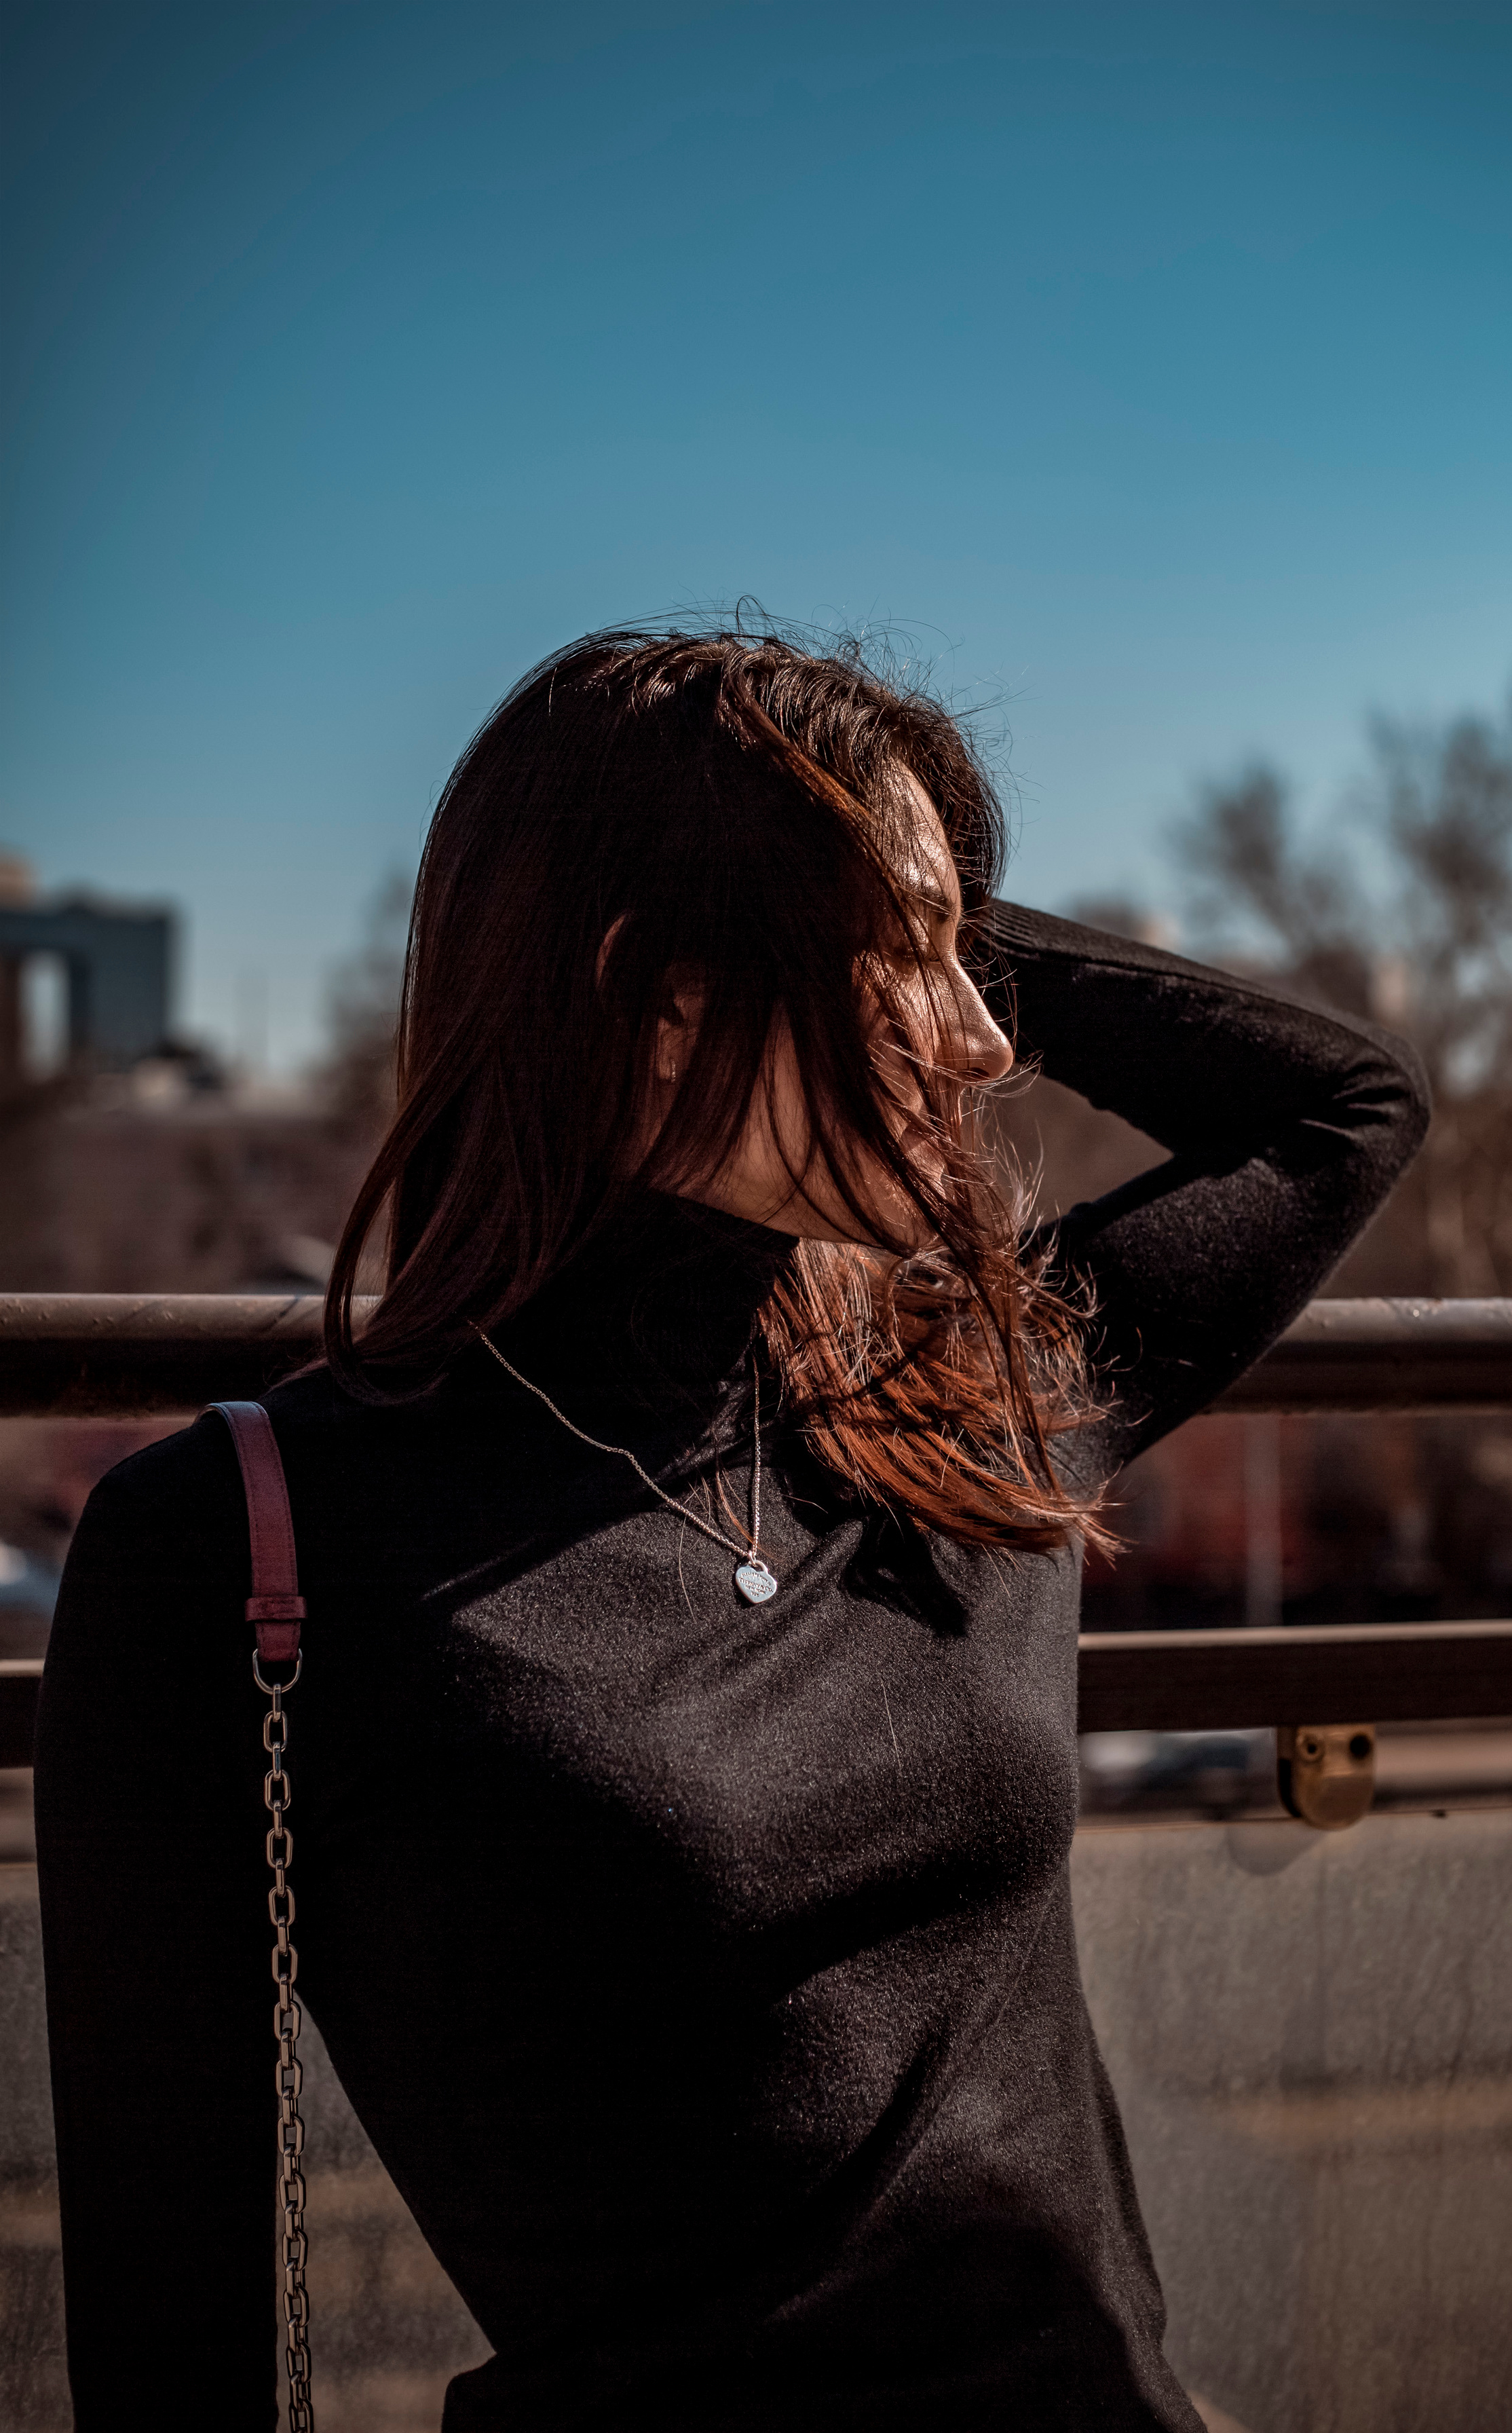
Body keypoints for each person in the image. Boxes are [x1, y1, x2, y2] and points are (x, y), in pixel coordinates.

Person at [35, 627, 1428, 2431]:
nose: (984, 1041)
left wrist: (896, 888)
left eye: (970, 962)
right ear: (662, 998)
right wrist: (793, 883)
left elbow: (1339, 1108)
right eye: (908, 965)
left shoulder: (961, 1408)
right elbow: (169, 2323)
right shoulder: (235, 1547)